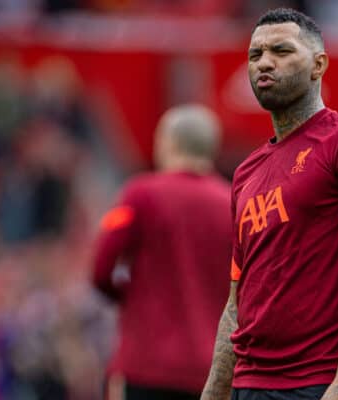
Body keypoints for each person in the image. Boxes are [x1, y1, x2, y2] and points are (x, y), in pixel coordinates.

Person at [201, 8, 338, 400]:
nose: (264, 63)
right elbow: (237, 300)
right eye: (255, 55)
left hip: (319, 384)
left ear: (318, 64)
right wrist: (214, 389)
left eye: (281, 50)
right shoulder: (245, 173)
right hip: (250, 384)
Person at [92, 104, 232, 400]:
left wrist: (131, 297)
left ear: (167, 143)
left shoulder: (140, 195)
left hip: (145, 363)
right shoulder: (234, 204)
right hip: (209, 370)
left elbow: (101, 267)